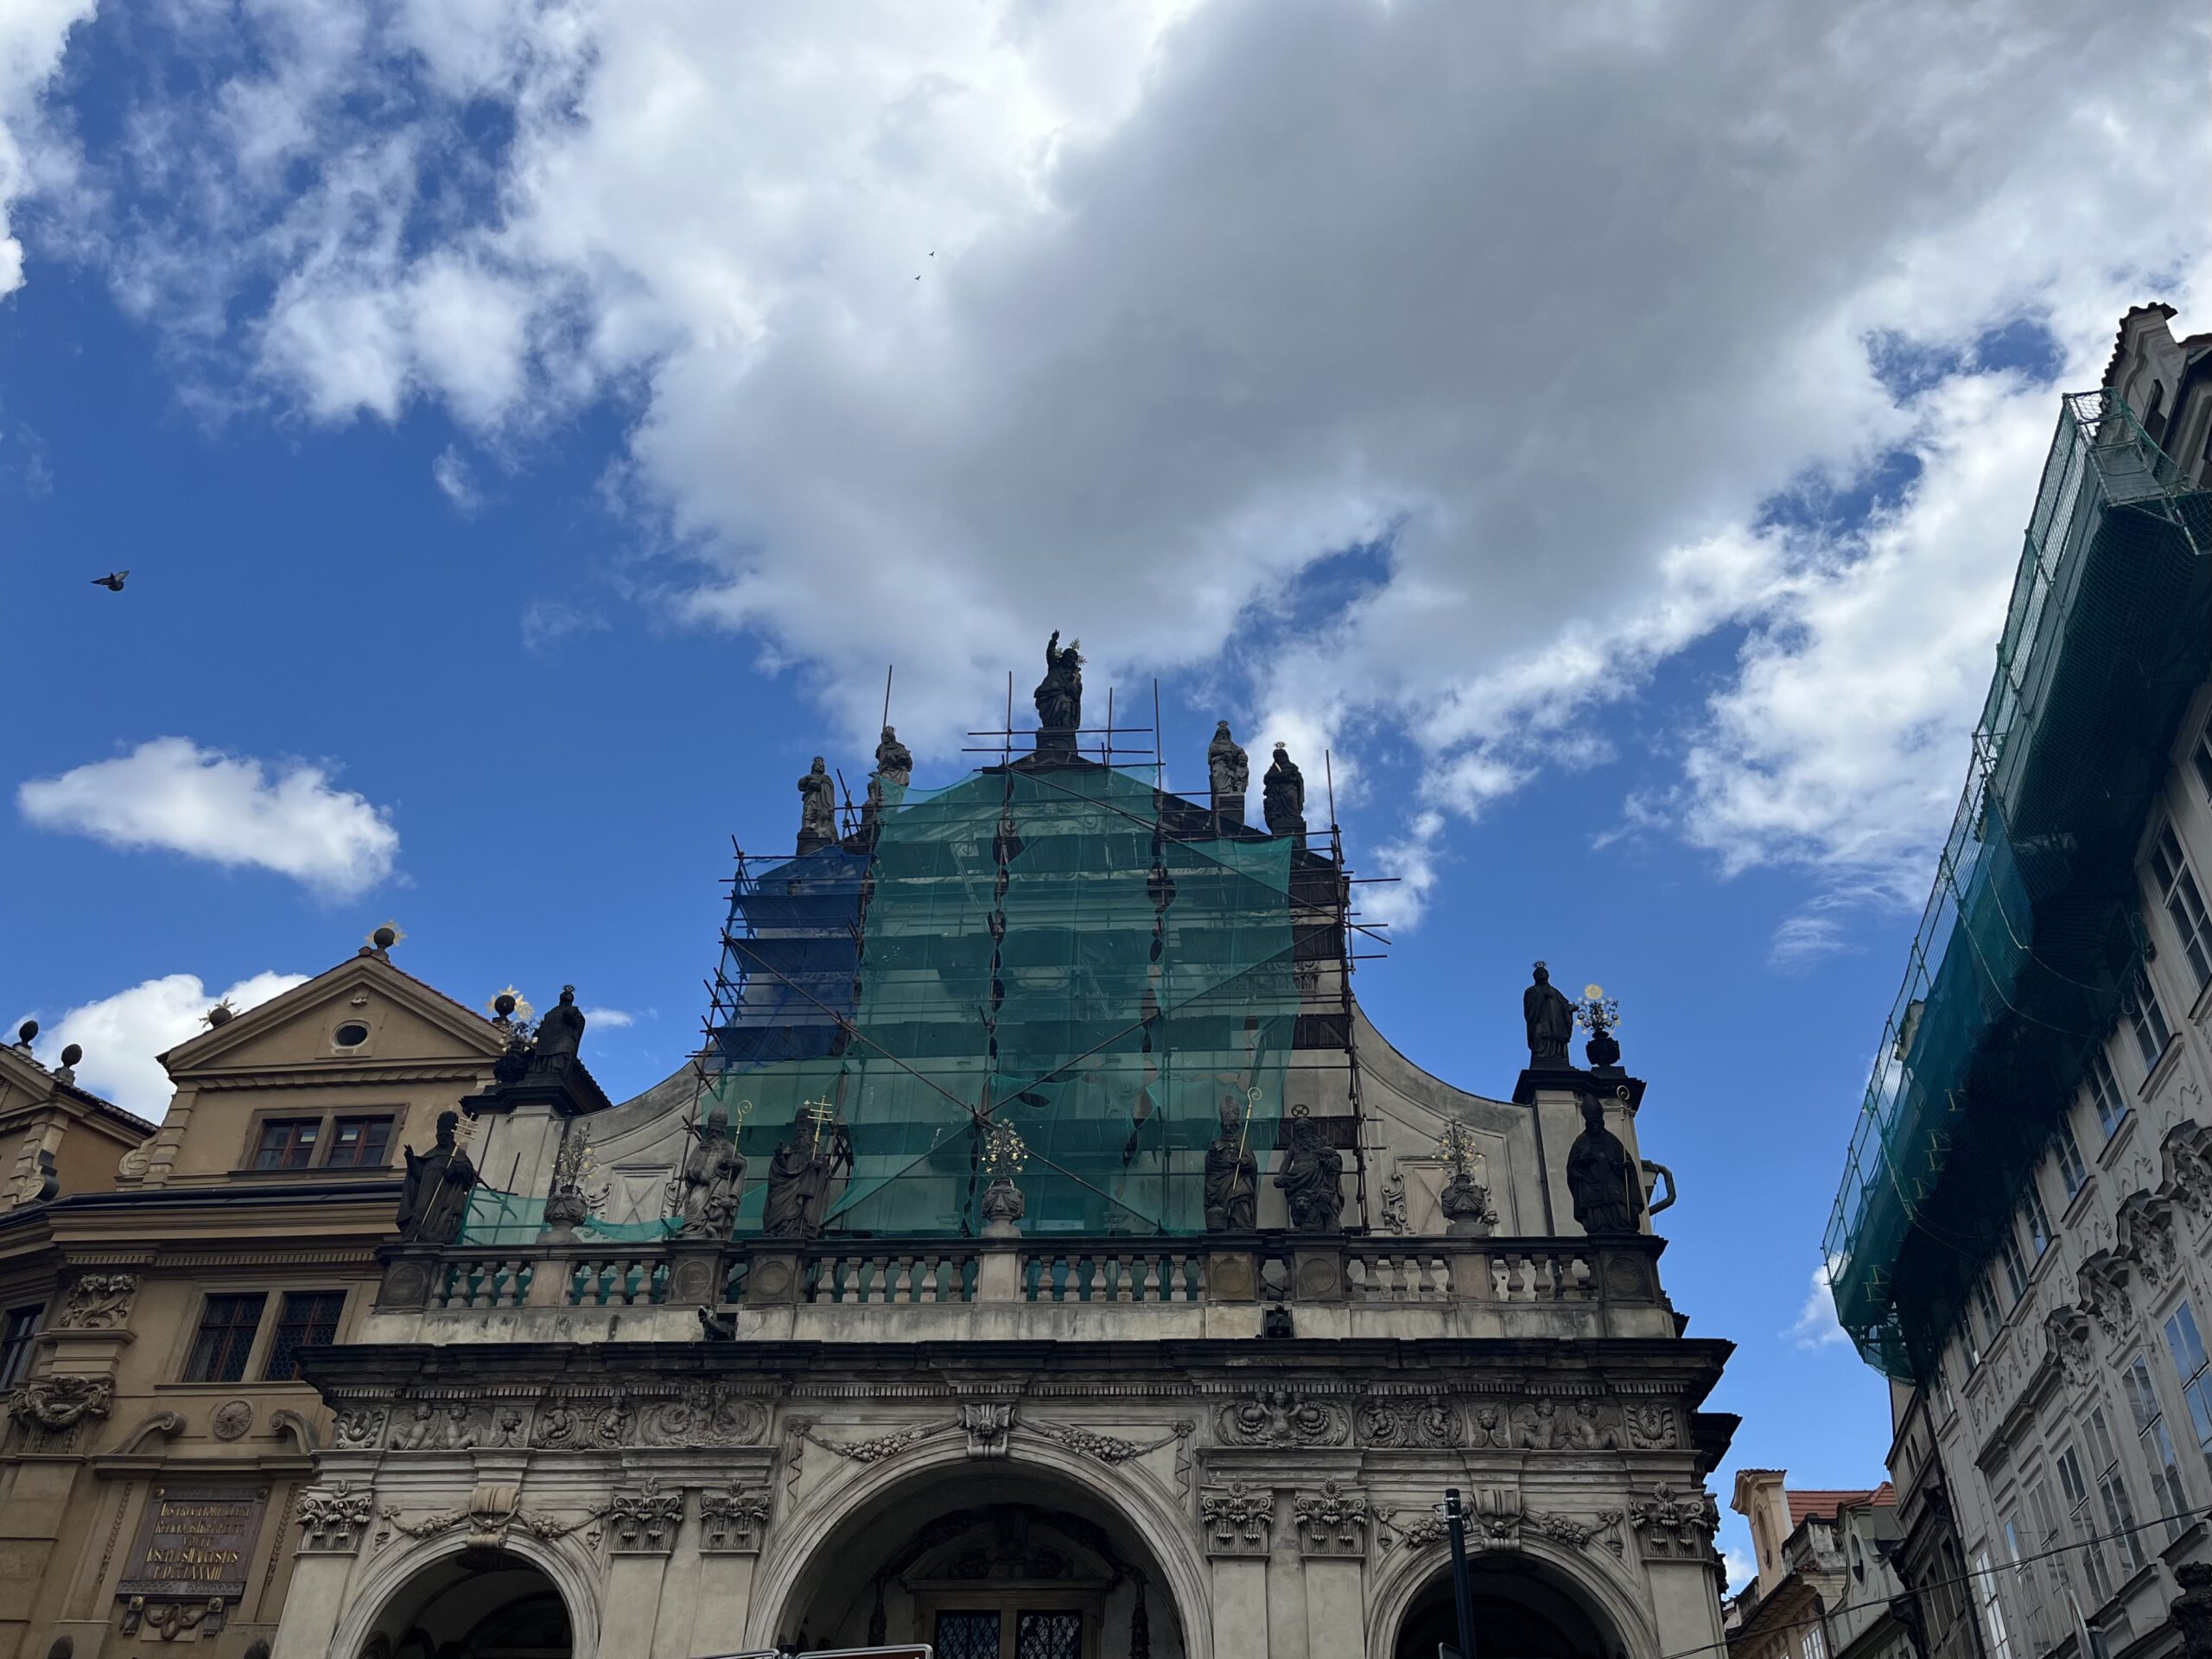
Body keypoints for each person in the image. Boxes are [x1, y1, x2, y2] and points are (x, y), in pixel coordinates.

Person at [1567, 1095, 1643, 1236]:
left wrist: (1623, 1166)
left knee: (1618, 1206)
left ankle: (1623, 1226)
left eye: (1597, 1123)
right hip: (1592, 1185)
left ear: (1601, 1122)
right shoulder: (1581, 1142)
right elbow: (1572, 1167)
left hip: (1611, 1182)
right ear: (1587, 1124)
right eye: (1591, 1123)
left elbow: (1626, 1161)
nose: (1594, 1126)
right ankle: (1597, 1227)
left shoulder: (1611, 1139)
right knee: (1596, 1212)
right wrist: (1585, 1162)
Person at [397, 1111, 479, 1243]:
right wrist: (411, 1159)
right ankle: (415, 1237)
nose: (443, 1138)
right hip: (426, 1194)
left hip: (446, 1196)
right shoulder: (430, 1155)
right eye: (440, 1135)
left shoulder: (458, 1154)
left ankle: (438, 1237)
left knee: (443, 1218)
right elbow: (419, 1176)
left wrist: (455, 1169)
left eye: (446, 1135)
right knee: (420, 1212)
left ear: (452, 1136)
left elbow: (469, 1172)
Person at [1523, 962, 1574, 1067]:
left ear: (1548, 976)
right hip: (1540, 1019)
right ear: (1535, 977)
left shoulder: (1554, 991)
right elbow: (1529, 1007)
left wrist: (1569, 1008)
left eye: (1544, 973)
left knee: (1555, 1037)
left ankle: (1559, 1056)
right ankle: (1539, 1055)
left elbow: (1563, 1003)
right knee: (1538, 1032)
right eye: (1539, 974)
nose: (1542, 975)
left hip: (1555, 1021)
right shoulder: (1531, 991)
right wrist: (1541, 996)